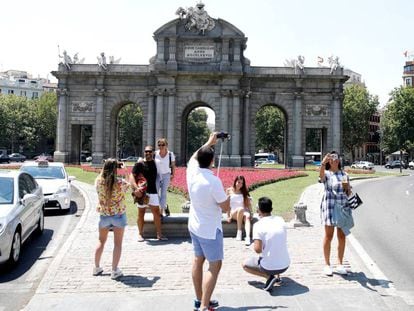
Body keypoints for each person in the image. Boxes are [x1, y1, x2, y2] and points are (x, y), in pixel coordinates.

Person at [187, 132, 230, 311]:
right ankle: (204, 306)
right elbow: (226, 207)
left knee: (198, 261)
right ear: (212, 161)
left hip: (194, 226)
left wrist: (209, 142)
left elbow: (193, 157)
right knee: (215, 265)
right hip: (210, 230)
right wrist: (228, 195)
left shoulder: (192, 172)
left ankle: (200, 299)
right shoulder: (214, 181)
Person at [93, 159, 132, 280]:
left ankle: (96, 267)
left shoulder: (98, 181)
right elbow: (129, 184)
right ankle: (114, 270)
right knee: (117, 244)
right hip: (118, 215)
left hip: (104, 215)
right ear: (116, 169)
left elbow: (101, 179)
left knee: (101, 241)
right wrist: (125, 170)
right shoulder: (119, 183)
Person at [242, 197, 290, 292]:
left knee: (245, 264)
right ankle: (277, 276)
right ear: (271, 209)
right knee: (275, 246)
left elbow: (258, 249)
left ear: (258, 210)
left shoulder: (258, 225)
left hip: (269, 266)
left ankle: (269, 276)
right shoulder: (280, 220)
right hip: (285, 264)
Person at [319, 150, 351, 276]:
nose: (335, 159)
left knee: (342, 236)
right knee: (329, 236)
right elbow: (321, 177)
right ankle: (327, 264)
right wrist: (322, 163)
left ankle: (339, 263)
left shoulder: (344, 174)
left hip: (342, 206)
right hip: (330, 206)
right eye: (332, 157)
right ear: (329, 160)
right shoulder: (326, 174)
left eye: (337, 157)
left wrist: (348, 189)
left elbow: (346, 191)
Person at [130, 146, 167, 242]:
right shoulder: (139, 164)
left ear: (153, 152)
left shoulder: (156, 163)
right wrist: (136, 188)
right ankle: (140, 234)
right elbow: (131, 176)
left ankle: (159, 234)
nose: (148, 153)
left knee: (156, 213)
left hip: (153, 191)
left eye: (150, 151)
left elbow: (162, 175)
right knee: (141, 213)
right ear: (144, 152)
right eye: (146, 151)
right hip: (142, 193)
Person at [226, 175, 253, 245]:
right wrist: (228, 216)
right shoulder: (229, 190)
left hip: (243, 211)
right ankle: (239, 231)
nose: (240, 185)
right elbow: (227, 205)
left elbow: (248, 204)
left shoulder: (244, 191)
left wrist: (251, 213)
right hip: (234, 212)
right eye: (238, 182)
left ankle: (247, 237)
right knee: (241, 209)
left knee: (247, 216)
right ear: (235, 182)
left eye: (242, 183)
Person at [154, 138, 176, 217]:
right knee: (155, 193)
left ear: (166, 145)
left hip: (166, 175)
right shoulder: (155, 154)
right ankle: (165, 206)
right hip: (157, 175)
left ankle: (161, 212)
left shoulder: (170, 154)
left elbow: (173, 165)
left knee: (163, 193)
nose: (161, 146)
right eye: (159, 145)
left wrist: (173, 174)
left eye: (163, 145)